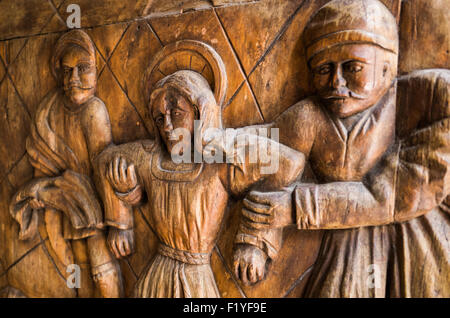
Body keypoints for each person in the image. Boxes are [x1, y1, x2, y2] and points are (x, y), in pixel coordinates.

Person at [235, 0, 449, 297]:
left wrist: (297, 207)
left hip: (414, 248)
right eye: (323, 69)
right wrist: (254, 241)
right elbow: (272, 160)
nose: (336, 81)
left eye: (353, 67)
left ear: (388, 67)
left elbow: (393, 194)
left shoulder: (427, 101)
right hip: (348, 251)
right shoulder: (309, 117)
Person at [94, 70, 305, 297]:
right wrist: (120, 221)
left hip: (196, 279)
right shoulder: (151, 159)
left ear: (200, 113)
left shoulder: (218, 166)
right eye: (159, 118)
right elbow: (103, 160)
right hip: (157, 277)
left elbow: (290, 163)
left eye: (176, 113)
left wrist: (216, 138)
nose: (167, 126)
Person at [9, 30, 123, 297]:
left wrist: (119, 224)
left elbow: (106, 167)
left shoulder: (94, 110)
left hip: (94, 206)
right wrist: (46, 191)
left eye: (83, 69)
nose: (73, 79)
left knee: (102, 270)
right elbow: (45, 158)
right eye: (66, 70)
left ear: (97, 70)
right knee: (80, 269)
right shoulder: (51, 111)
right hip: (69, 204)